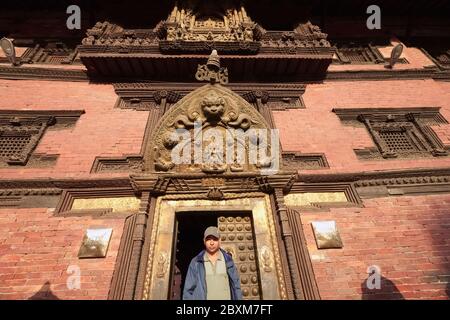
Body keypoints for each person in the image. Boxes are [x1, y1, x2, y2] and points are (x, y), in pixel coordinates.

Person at [182, 226, 242, 300]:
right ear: (204, 241)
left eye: (215, 239)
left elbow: (236, 287)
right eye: (208, 239)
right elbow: (188, 290)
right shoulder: (196, 262)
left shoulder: (228, 260)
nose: (211, 243)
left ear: (220, 241)